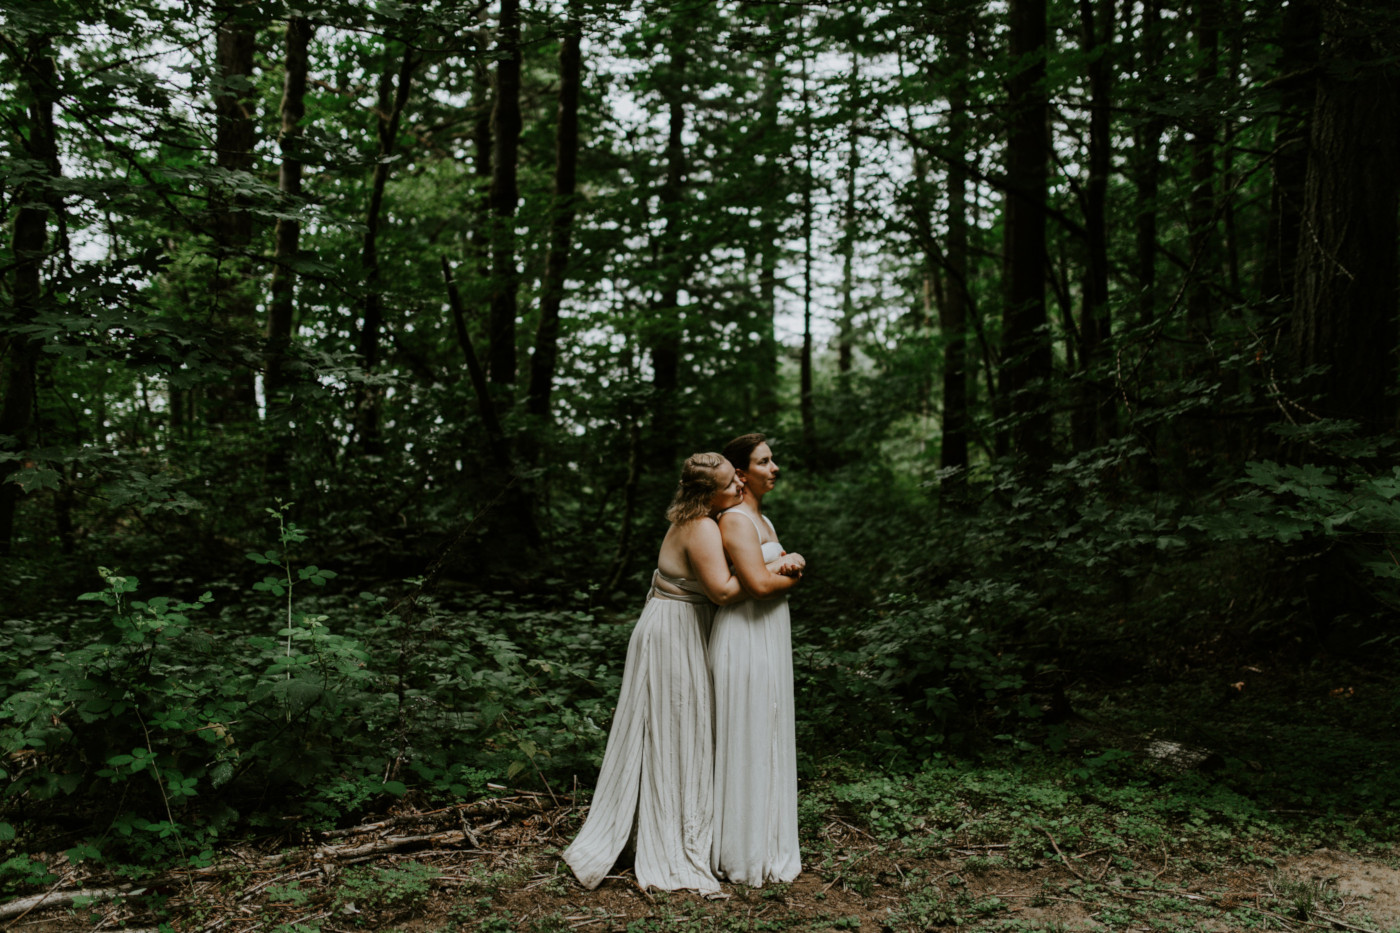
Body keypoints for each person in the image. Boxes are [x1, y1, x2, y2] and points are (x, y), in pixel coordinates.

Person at [563, 452, 768, 893]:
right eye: (731, 483)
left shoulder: (692, 521)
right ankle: (673, 842)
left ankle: (656, 826)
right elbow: (723, 592)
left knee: (670, 728)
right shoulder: (703, 527)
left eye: (738, 478)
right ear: (705, 493)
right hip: (673, 631)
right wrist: (771, 569)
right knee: (677, 729)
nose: (739, 486)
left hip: (670, 623)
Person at [710, 433, 805, 886]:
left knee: (768, 728)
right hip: (744, 636)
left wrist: (791, 560)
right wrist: (796, 575)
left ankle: (769, 841)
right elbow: (760, 586)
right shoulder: (733, 520)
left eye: (774, 459)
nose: (775, 467)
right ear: (741, 473)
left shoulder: (761, 520)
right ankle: (739, 852)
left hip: (768, 634)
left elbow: (771, 568)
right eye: (765, 461)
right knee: (746, 731)